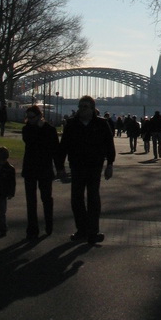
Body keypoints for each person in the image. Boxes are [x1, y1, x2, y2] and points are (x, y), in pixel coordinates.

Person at [57, 95, 115, 245]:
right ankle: (82, 229)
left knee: (93, 198)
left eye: (85, 107)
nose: (82, 109)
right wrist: (60, 167)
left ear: (92, 109)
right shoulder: (71, 124)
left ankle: (93, 231)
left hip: (94, 166)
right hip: (77, 165)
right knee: (76, 199)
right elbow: (63, 146)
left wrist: (110, 164)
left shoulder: (101, 124)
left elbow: (109, 145)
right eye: (80, 106)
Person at [21, 104, 60, 238]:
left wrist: (59, 167)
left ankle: (49, 224)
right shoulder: (26, 130)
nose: (29, 119)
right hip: (30, 168)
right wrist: (38, 129)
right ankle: (32, 228)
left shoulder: (50, 130)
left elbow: (55, 149)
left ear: (39, 116)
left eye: (32, 117)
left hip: (45, 168)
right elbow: (31, 141)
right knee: (31, 201)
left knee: (46, 198)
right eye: (28, 117)